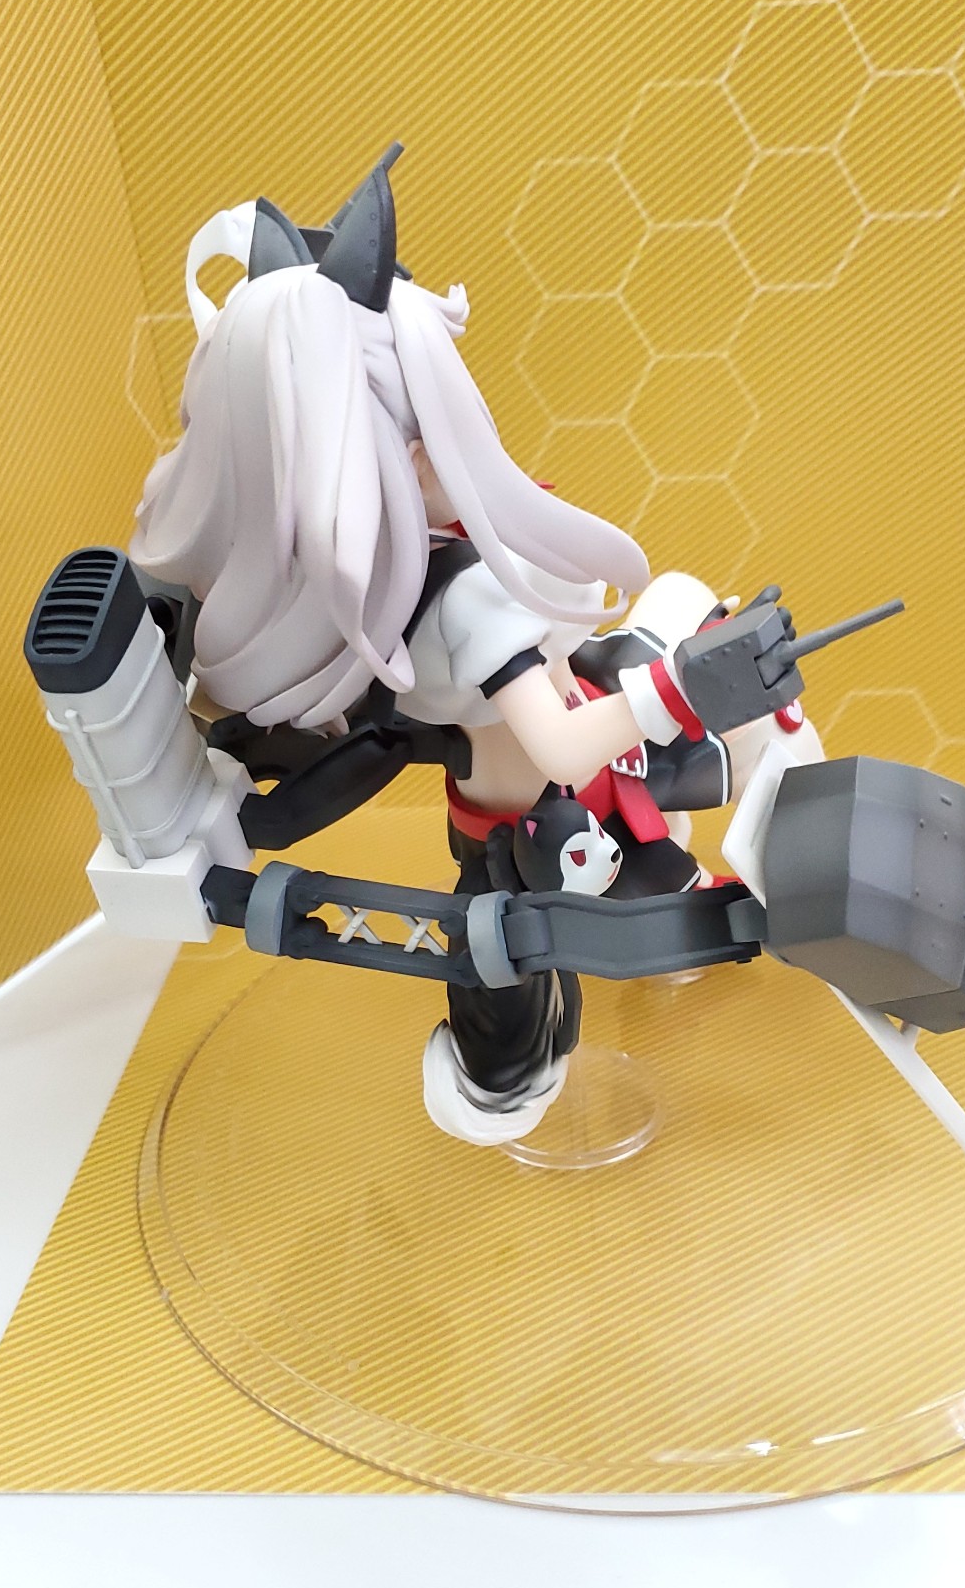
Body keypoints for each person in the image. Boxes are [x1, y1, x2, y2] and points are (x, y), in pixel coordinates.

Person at [130, 154, 808, 1142]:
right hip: (540, 821)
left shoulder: (387, 588)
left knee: (686, 624)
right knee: (510, 1022)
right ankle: (518, 1071)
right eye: (446, 424)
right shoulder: (464, 598)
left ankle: (711, 887)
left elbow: (403, 736)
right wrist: (682, 690)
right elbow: (557, 748)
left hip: (551, 789)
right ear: (404, 458)